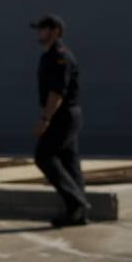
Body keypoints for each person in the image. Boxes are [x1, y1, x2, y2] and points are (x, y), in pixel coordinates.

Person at [31, 14, 90, 227]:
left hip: (62, 116)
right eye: (38, 29)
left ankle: (76, 202)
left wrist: (45, 119)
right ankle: (78, 213)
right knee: (69, 162)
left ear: (55, 31)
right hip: (66, 115)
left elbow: (56, 92)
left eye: (43, 29)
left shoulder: (59, 56)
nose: (39, 32)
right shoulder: (49, 56)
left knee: (43, 156)